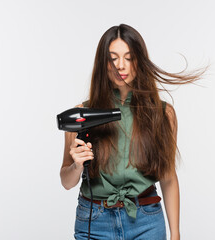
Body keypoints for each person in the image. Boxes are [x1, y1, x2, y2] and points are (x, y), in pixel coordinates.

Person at [60, 24, 207, 240]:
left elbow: (167, 177)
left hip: (145, 221)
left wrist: (175, 234)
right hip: (94, 221)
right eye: (113, 58)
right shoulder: (83, 116)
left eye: (129, 57)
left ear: (139, 60)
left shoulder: (163, 114)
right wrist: (76, 165)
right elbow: (66, 181)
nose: (121, 66)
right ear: (104, 63)